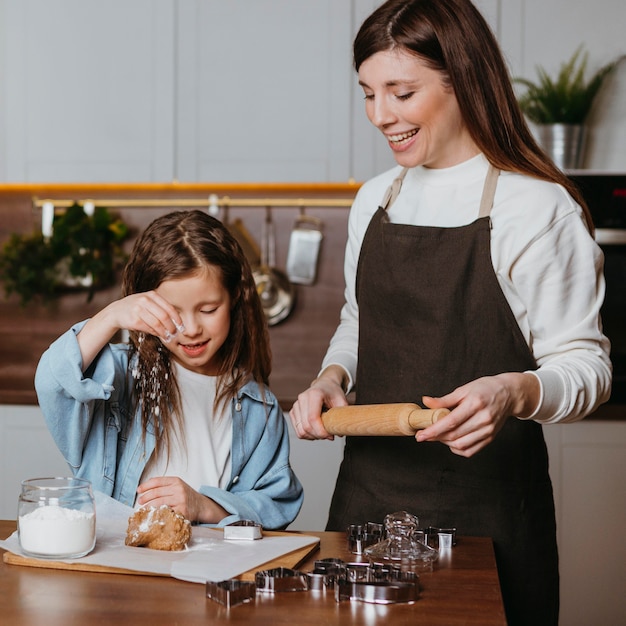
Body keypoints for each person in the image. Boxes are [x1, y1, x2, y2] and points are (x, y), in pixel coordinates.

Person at [288, 1, 611, 624]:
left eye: (401, 93)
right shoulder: (374, 199)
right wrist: (332, 379)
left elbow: (587, 368)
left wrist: (511, 392)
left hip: (488, 514)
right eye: (368, 93)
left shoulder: (536, 208)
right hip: (367, 498)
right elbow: (360, 321)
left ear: (460, 79)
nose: (381, 116)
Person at [36, 210, 303, 530]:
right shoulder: (118, 376)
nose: (190, 328)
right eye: (171, 311)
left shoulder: (259, 406)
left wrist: (204, 505)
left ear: (233, 298)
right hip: (118, 564)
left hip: (209, 569)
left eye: (208, 309)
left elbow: (278, 504)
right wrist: (109, 317)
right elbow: (53, 383)